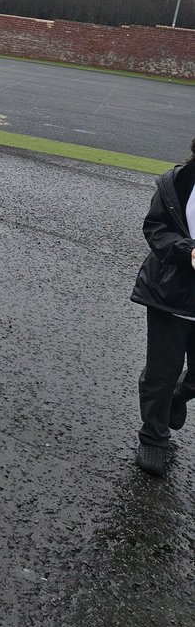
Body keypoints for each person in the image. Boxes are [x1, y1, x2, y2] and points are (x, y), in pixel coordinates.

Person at [130, 135, 195, 477]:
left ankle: (178, 397)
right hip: (170, 295)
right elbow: (155, 228)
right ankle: (154, 438)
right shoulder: (177, 183)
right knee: (160, 373)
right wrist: (187, 250)